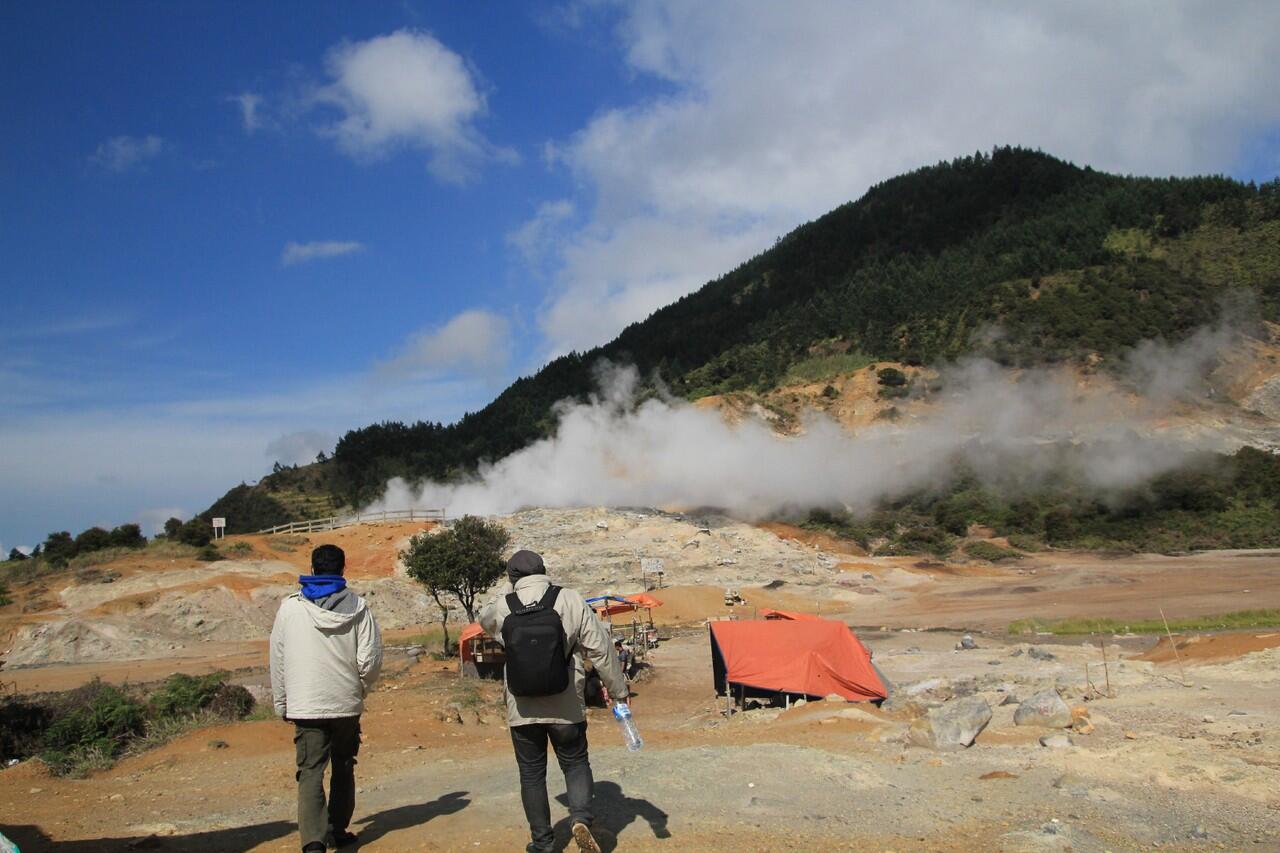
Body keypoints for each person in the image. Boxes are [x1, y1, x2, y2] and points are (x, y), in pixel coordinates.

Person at [480, 550, 629, 853]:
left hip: (522, 707)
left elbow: (484, 621)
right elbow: (599, 648)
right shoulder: (569, 599)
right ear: (544, 571)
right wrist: (618, 691)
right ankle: (581, 818)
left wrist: (509, 590)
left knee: (532, 773)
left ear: (512, 578)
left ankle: (543, 843)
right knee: (574, 763)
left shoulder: (504, 605)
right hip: (566, 703)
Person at [270, 544, 383, 853]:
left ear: (313, 567)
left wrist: (282, 702)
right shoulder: (359, 608)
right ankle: (338, 828)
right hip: (345, 703)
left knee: (310, 771)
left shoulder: (290, 608)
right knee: (344, 764)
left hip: (305, 705)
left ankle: (313, 842)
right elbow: (370, 660)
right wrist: (359, 689)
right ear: (343, 569)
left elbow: (278, 659)